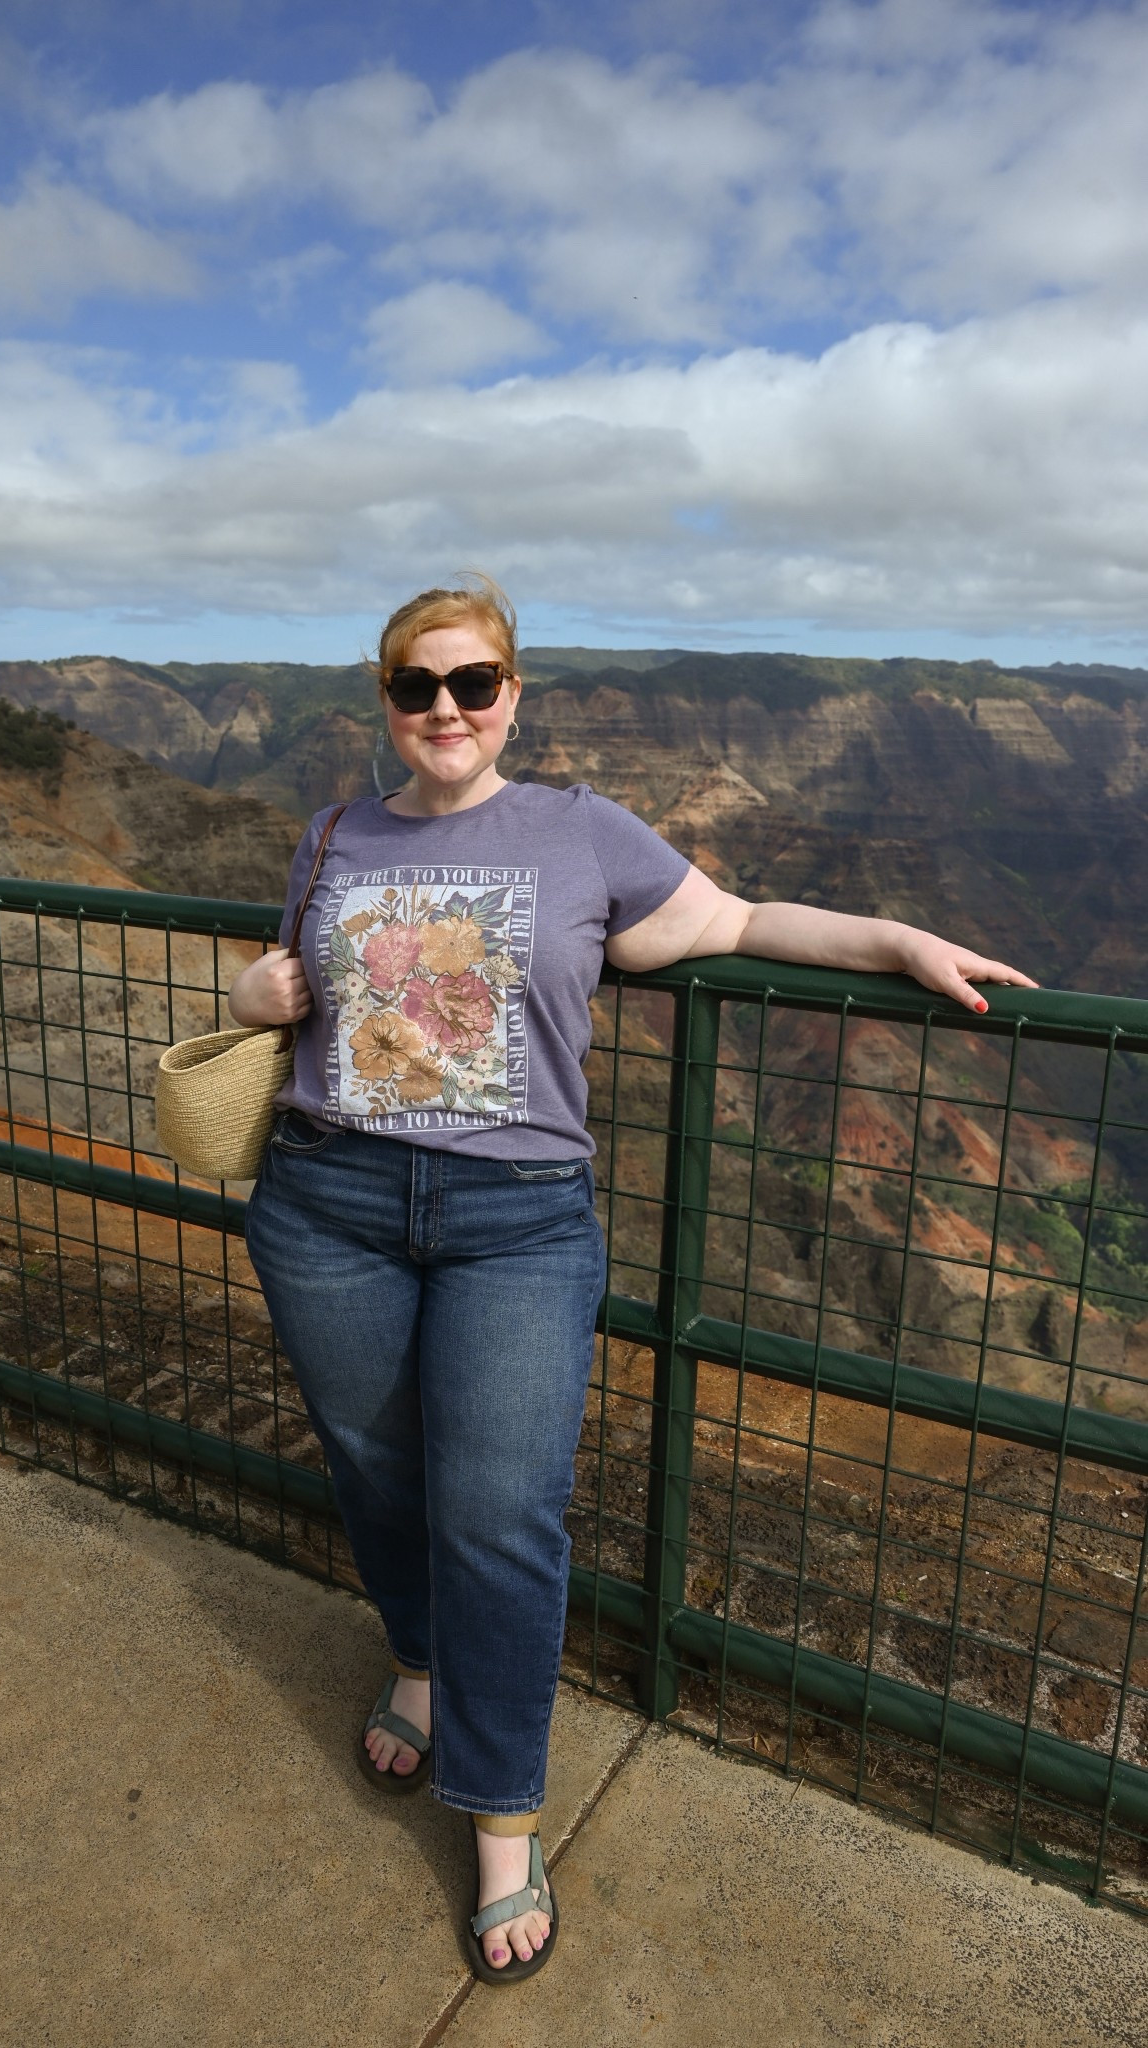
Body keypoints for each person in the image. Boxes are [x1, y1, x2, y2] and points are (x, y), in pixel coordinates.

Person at [230, 576, 1035, 1985]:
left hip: (516, 1222)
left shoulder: (582, 829)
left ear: (512, 696)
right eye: (417, 687)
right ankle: (417, 1665)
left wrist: (898, 943)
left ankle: (501, 1819)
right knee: (374, 1469)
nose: (445, 711)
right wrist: (246, 998)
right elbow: (289, 995)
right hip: (329, 1201)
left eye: (472, 684)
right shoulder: (331, 835)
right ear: (384, 701)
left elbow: (734, 924)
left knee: (500, 1512)